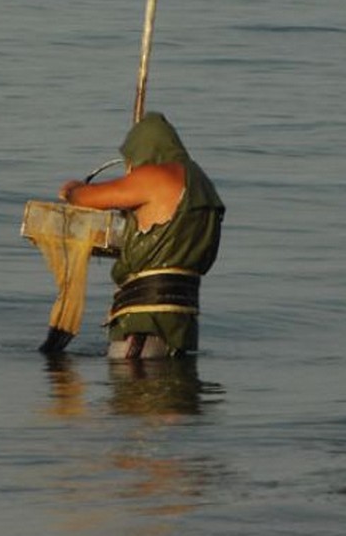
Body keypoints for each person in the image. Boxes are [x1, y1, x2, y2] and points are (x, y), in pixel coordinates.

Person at [59, 112, 225, 359]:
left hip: (142, 324)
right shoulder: (203, 184)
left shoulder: (155, 176)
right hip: (182, 325)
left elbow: (86, 200)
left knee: (132, 393)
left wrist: (72, 189)